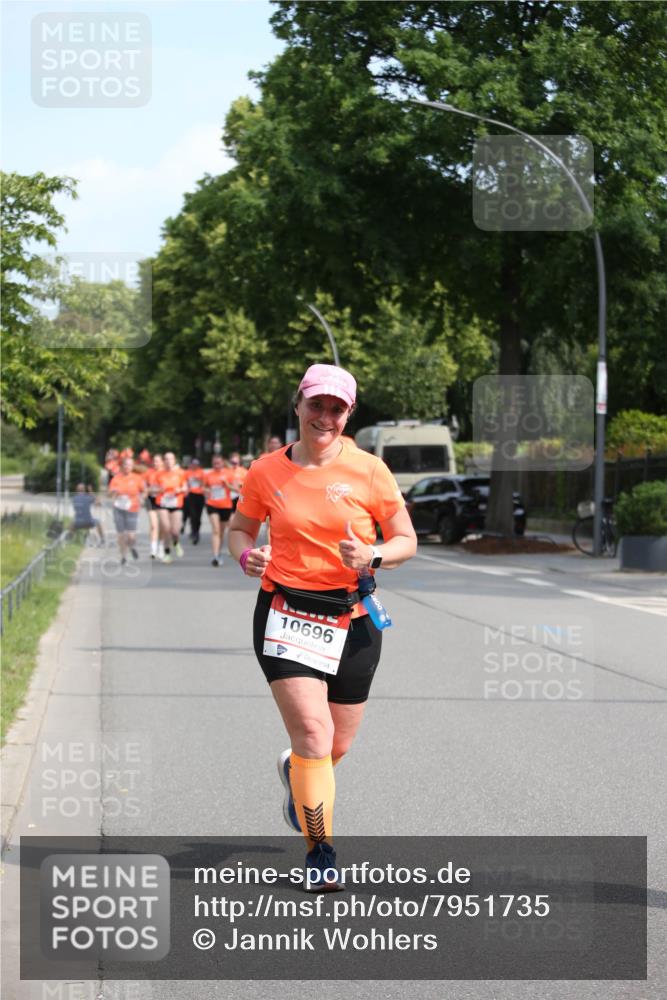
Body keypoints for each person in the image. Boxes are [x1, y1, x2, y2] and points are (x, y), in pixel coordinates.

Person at [228, 364, 416, 890]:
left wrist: (373, 554)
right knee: (313, 733)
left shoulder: (370, 470)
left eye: (337, 408)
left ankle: (298, 773)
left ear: (348, 414)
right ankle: (320, 852)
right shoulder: (266, 471)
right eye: (317, 404)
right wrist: (245, 555)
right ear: (298, 405)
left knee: (336, 746)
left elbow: (406, 540)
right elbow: (239, 528)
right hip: (286, 613)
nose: (325, 417)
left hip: (353, 618)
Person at [108, 456, 146, 563]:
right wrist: (113, 492)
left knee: (130, 536)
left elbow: (144, 490)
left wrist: (142, 498)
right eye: (125, 464)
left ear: (132, 466)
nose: (127, 467)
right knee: (121, 534)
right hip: (118, 508)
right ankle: (123, 556)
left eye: (130, 465)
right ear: (122, 466)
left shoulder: (137, 478)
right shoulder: (116, 478)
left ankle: (132, 547)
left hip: (132, 508)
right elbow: (109, 494)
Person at [155, 452, 187, 563]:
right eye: (166, 459)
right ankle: (167, 553)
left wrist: (180, 490)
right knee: (166, 528)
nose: (168, 461)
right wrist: (159, 489)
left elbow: (186, 488)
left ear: (174, 461)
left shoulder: (181, 473)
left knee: (175, 531)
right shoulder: (159, 474)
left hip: (176, 503)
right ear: (164, 461)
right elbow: (152, 489)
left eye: (171, 459)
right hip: (163, 503)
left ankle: (176, 542)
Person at [204, 454, 233, 566]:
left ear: (222, 463)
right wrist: (206, 491)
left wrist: (227, 485)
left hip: (225, 506)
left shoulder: (229, 474)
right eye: (214, 463)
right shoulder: (208, 475)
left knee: (221, 532)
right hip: (212, 504)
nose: (216, 465)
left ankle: (219, 553)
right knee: (216, 530)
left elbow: (236, 488)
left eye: (218, 463)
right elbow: (203, 487)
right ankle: (215, 556)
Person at [143, 454, 164, 559]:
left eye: (158, 461)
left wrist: (159, 489)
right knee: (153, 525)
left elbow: (167, 487)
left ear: (162, 462)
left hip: (162, 500)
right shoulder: (148, 473)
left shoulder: (165, 473)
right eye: (154, 461)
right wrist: (146, 491)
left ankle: (161, 547)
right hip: (150, 500)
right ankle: (153, 549)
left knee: (162, 525)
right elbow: (144, 486)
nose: (155, 463)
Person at [182, 458, 205, 544]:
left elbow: (205, 484)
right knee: (192, 515)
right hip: (190, 495)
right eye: (193, 464)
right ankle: (194, 532)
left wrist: (198, 480)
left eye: (196, 464)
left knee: (198, 516)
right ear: (191, 464)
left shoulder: (201, 472)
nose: (195, 466)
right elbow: (184, 483)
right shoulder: (187, 472)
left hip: (200, 495)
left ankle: (197, 531)